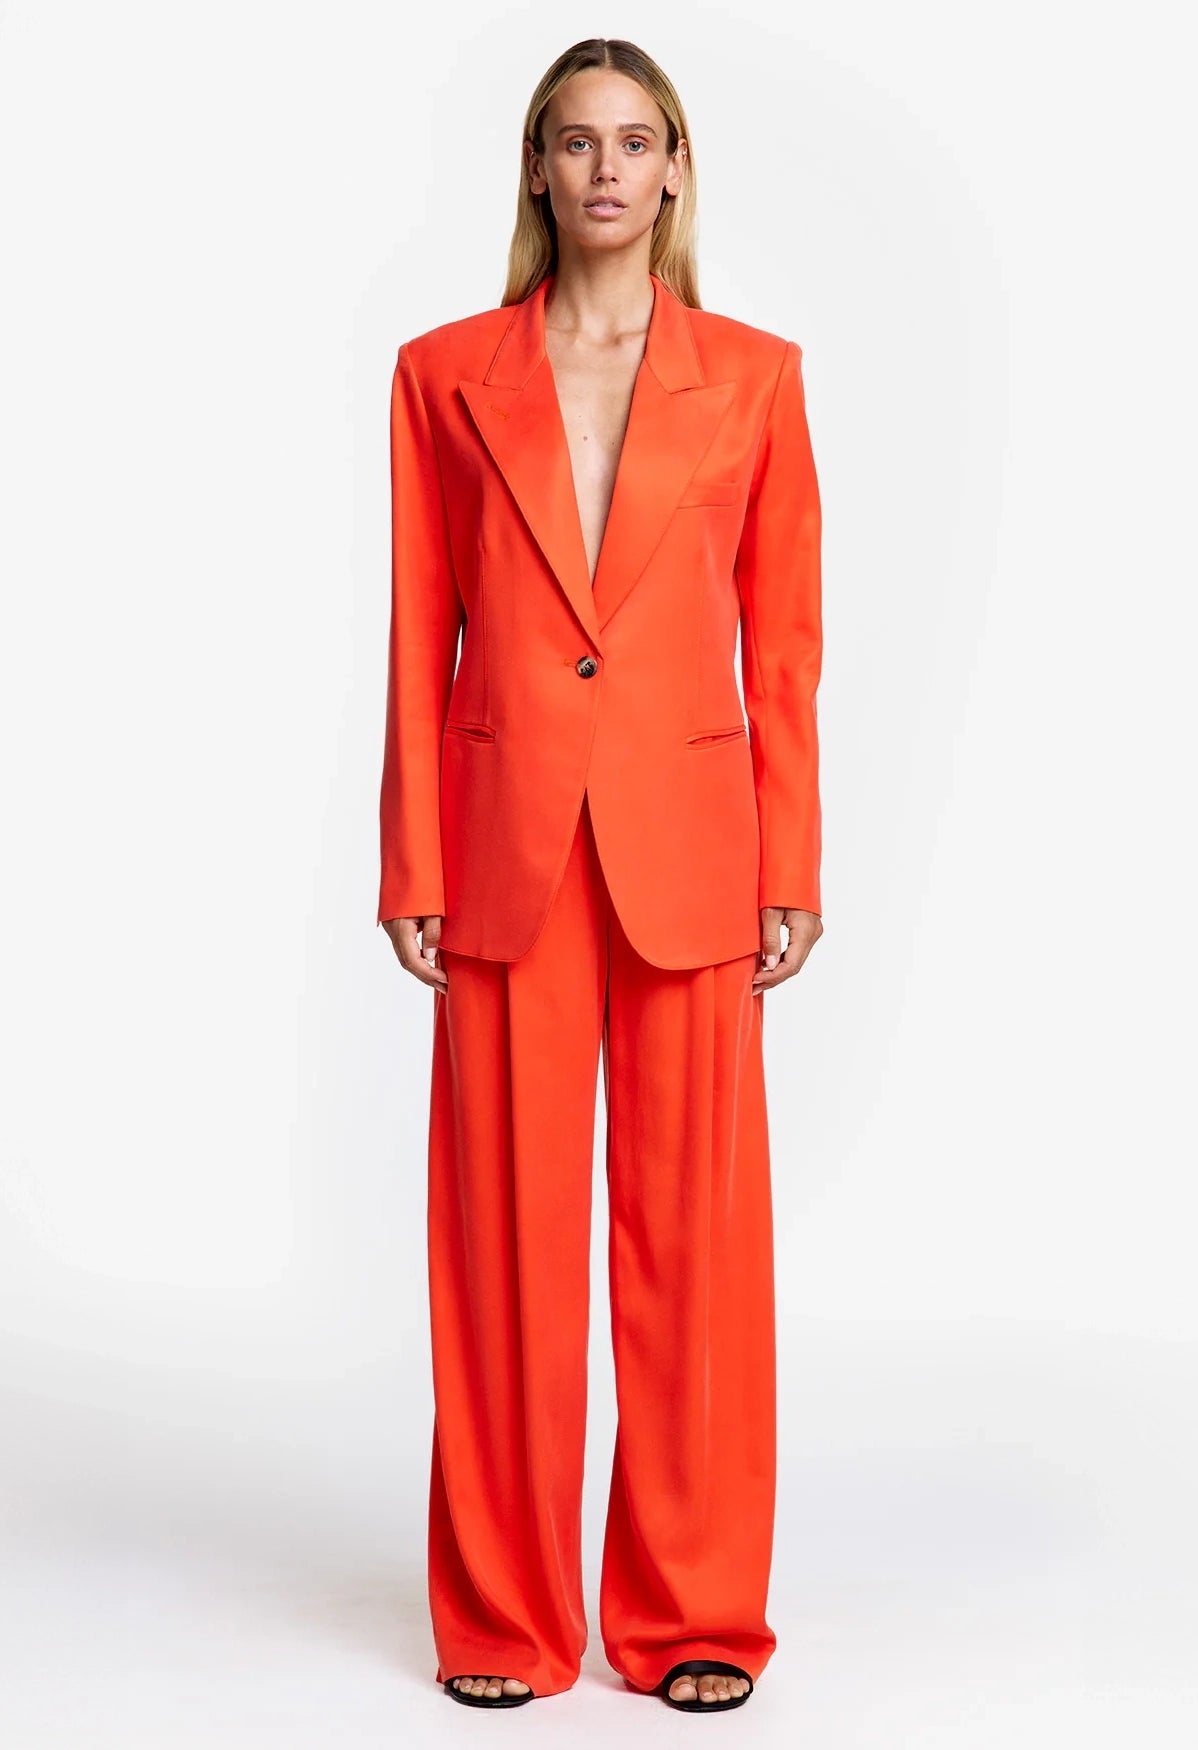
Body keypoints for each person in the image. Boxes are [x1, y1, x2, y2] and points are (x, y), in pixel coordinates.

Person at [377, 36, 823, 1714]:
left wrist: (793, 854)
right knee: (501, 1247)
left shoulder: (755, 378)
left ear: (677, 167)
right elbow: (420, 626)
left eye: (637, 143)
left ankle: (692, 1608)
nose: (608, 171)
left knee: (692, 1246)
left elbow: (785, 644)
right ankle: (504, 1614)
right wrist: (412, 853)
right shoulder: (443, 376)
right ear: (537, 168)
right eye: (577, 143)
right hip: (503, 843)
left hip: (694, 846)